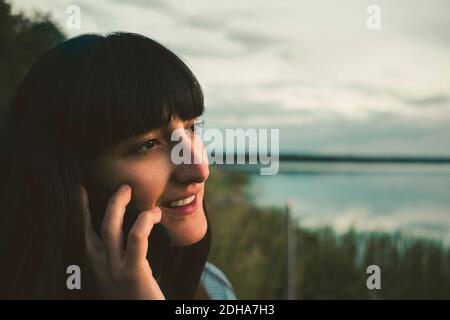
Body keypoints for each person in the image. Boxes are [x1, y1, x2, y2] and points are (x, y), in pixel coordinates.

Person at [0, 32, 237, 300]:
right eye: (148, 144)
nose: (199, 168)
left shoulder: (214, 286)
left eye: (191, 128)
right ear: (71, 175)